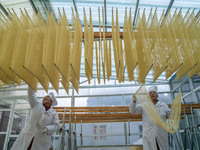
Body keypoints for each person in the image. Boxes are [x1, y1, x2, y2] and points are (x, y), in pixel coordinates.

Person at [11, 86, 60, 150]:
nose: (45, 97)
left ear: (51, 102)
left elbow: (56, 125)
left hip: (41, 139)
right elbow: (31, 96)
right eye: (45, 96)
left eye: (48, 97)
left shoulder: (54, 113)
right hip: (28, 134)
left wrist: (47, 129)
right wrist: (32, 83)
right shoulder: (36, 105)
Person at [129, 86, 171, 150]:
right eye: (150, 93)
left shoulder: (163, 105)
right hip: (149, 133)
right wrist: (134, 101)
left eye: (154, 92)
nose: (152, 94)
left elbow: (170, 115)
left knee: (161, 147)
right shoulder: (144, 105)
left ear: (157, 95)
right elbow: (133, 110)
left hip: (161, 132)